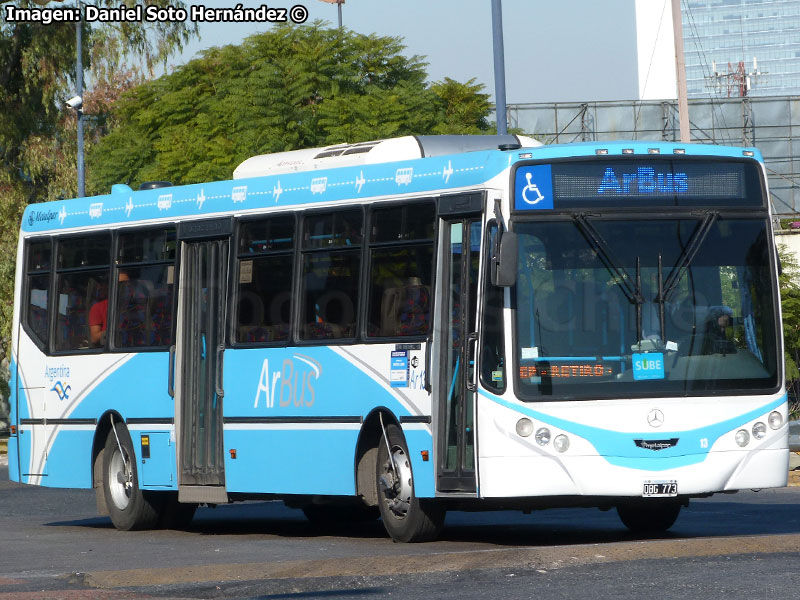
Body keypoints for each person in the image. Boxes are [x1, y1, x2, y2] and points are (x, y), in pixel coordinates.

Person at [89, 271, 129, 346]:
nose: (126, 287)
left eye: (127, 284)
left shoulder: (136, 304)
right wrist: (116, 331)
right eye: (121, 284)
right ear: (110, 286)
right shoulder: (98, 307)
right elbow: (94, 338)